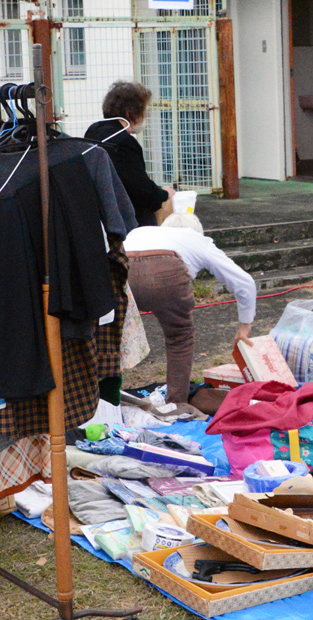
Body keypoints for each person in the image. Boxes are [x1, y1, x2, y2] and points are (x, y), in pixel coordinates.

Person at [123, 212, 256, 407]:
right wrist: (244, 326)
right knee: (179, 336)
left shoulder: (140, 231)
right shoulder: (197, 239)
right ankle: (176, 402)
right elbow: (244, 282)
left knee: (111, 334)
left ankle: (106, 399)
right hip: (166, 271)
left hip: (122, 269)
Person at [86, 82, 173, 227]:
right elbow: (140, 189)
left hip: (97, 209)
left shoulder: (94, 130)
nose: (144, 117)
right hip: (124, 217)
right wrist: (164, 194)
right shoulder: (124, 142)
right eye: (143, 112)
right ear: (130, 113)